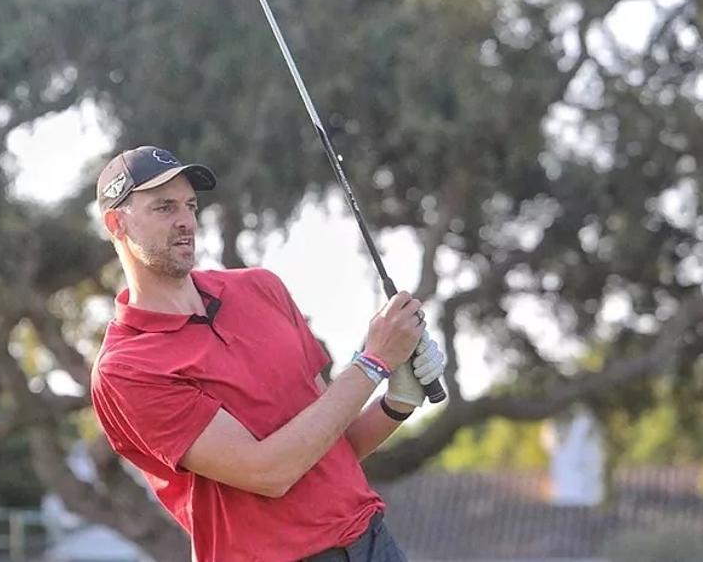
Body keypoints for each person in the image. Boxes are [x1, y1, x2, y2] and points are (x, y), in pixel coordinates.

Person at [90, 145, 448, 562]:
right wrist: (372, 363)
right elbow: (269, 472)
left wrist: (396, 402)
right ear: (117, 223)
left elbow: (328, 445)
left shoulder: (261, 288)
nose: (186, 221)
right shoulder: (126, 368)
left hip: (373, 543)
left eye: (190, 205)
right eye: (164, 208)